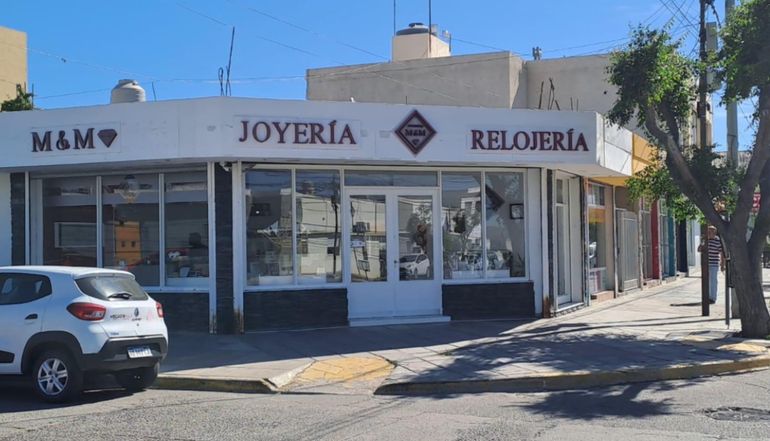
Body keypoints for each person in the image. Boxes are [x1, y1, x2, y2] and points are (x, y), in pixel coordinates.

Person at [698, 226, 725, 304]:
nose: (709, 233)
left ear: (714, 232)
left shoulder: (717, 241)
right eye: (708, 232)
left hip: (713, 264)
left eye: (710, 232)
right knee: (706, 281)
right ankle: (707, 297)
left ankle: (712, 298)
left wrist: (722, 264)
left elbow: (721, 253)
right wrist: (703, 241)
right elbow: (699, 249)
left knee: (713, 281)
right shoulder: (705, 241)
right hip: (705, 264)